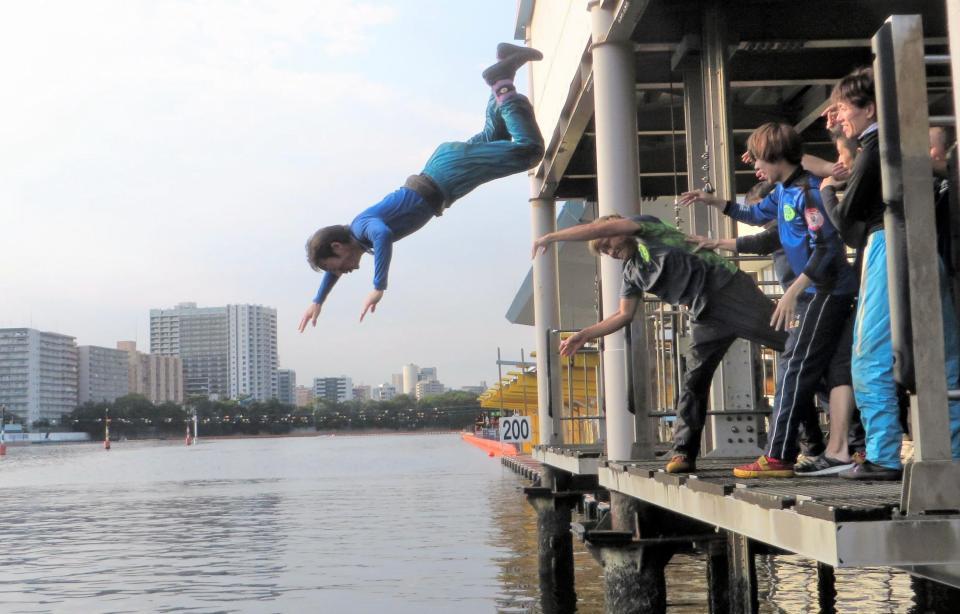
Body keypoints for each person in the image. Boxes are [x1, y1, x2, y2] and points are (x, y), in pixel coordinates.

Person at [299, 43, 545, 330]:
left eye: (338, 266)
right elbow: (335, 271)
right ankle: (505, 69)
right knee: (497, 134)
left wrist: (379, 285)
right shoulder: (356, 235)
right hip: (441, 168)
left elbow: (383, 235)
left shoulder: (363, 229)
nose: (345, 271)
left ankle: (500, 84)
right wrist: (318, 300)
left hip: (447, 177)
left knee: (528, 150)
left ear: (338, 246)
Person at [532, 214, 787, 474]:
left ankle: (810, 444)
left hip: (729, 291)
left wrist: (551, 237)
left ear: (620, 227)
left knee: (794, 349)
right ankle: (684, 453)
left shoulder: (649, 230)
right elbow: (623, 314)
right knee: (693, 382)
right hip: (704, 316)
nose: (610, 252)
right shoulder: (632, 272)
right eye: (604, 251)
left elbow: (600, 228)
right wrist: (586, 334)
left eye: (608, 242)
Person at [681, 122, 859, 478]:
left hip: (825, 290)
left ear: (778, 157)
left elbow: (828, 248)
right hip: (817, 291)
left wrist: (794, 290)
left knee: (794, 363)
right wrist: (715, 202)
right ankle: (845, 449)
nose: (756, 167)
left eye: (760, 159)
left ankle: (778, 455)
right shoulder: (782, 192)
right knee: (837, 370)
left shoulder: (808, 193)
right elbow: (754, 215)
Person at [823, 67, 960, 479]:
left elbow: (848, 226)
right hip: (925, 247)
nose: (839, 118)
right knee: (944, 356)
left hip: (888, 248)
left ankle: (883, 454)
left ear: (869, 108)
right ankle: (952, 453)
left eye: (844, 109)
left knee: (868, 356)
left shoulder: (873, 148)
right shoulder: (908, 143)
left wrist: (829, 193)